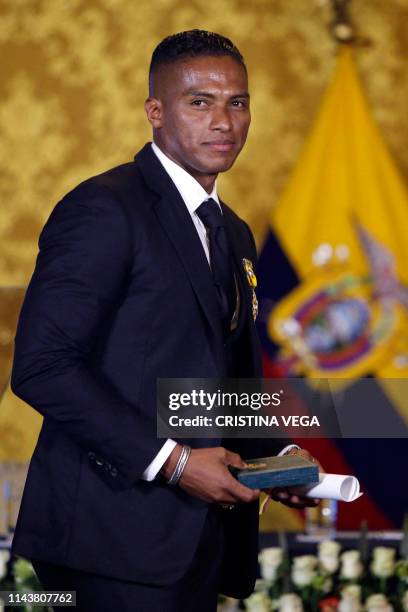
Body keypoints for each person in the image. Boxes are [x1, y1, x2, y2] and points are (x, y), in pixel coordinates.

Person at [10, 30, 320, 611]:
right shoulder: (103, 208)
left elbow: (223, 378)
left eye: (238, 102)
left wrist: (276, 462)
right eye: (199, 102)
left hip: (201, 538)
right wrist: (174, 461)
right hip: (105, 541)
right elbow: (41, 366)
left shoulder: (232, 230)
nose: (223, 121)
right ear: (155, 112)